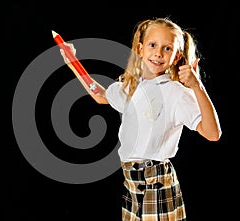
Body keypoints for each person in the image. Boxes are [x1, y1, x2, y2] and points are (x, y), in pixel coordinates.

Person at [59, 17, 222, 221]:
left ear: (177, 56)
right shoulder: (130, 87)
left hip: (157, 181)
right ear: (140, 48)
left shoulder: (176, 93)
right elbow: (100, 95)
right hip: (131, 180)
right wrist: (73, 63)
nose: (158, 53)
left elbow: (213, 133)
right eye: (153, 45)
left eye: (167, 48)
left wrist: (197, 87)